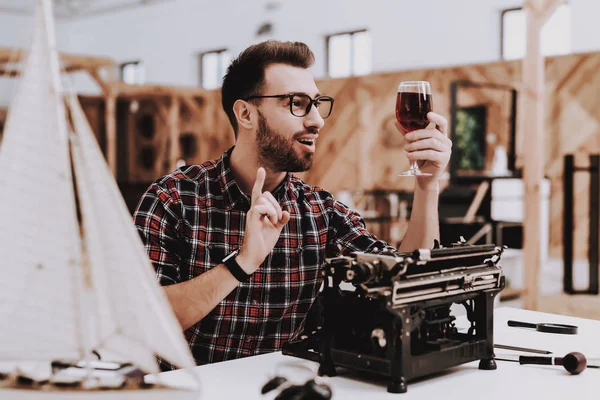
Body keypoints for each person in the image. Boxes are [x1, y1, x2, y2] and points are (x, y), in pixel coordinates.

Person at [133, 40, 452, 370]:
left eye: (316, 104)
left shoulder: (320, 213)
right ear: (246, 113)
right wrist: (242, 263)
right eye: (297, 104)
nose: (317, 121)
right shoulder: (173, 200)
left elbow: (409, 286)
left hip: (286, 389)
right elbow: (145, 321)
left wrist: (427, 187)